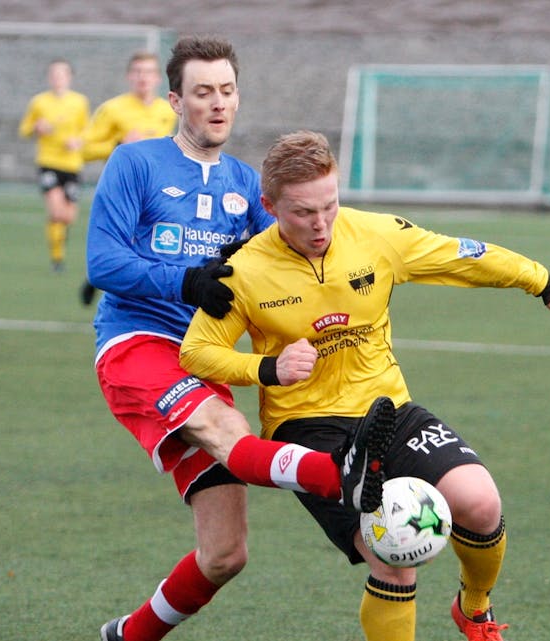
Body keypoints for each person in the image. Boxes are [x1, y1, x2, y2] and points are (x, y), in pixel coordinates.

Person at [179, 130, 550, 641]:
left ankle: (474, 608)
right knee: (393, 554)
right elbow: (195, 352)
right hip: (306, 427)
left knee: (481, 504)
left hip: (387, 407)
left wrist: (543, 283)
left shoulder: (376, 236)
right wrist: (267, 368)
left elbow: (462, 255)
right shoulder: (243, 271)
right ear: (270, 205)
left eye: (329, 205)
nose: (321, 223)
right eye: (304, 212)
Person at [88, 39, 394, 641]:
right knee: (231, 435)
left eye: (227, 91)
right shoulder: (136, 163)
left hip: (205, 362)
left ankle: (129, 636)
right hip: (139, 345)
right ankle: (346, 474)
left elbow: (285, 266)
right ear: (177, 100)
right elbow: (102, 261)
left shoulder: (247, 186)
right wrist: (186, 280)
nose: (218, 103)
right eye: (203, 92)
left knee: (225, 555)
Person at [79, 51, 177, 304]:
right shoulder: (112, 109)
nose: (143, 77)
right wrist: (118, 143)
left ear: (157, 78)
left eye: (148, 72)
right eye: (138, 72)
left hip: (157, 191)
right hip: (121, 191)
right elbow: (85, 149)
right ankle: (103, 284)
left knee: (153, 246)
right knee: (120, 246)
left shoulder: (167, 110)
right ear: (129, 76)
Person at [17, 59, 90, 272]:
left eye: (62, 75)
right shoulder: (39, 102)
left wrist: (78, 140)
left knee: (68, 216)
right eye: (54, 75)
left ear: (69, 78)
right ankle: (57, 259)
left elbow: (87, 129)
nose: (57, 79)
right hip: (48, 162)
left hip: (72, 164)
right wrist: (36, 127)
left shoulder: (80, 102)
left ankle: (59, 235)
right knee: (57, 211)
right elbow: (24, 129)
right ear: (49, 78)